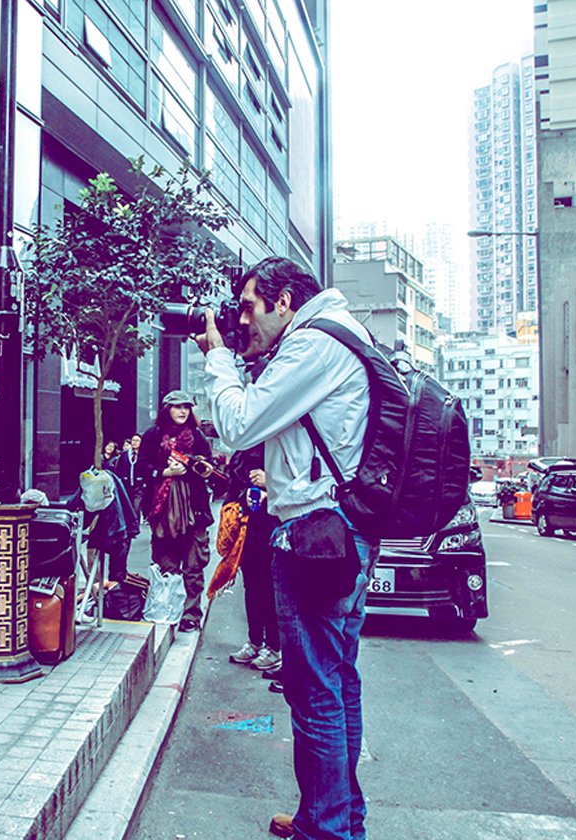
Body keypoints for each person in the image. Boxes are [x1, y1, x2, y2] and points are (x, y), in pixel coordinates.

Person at [197, 256, 377, 840]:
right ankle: (335, 816)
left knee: (315, 689)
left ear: (284, 302)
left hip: (318, 535)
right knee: (336, 681)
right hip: (340, 531)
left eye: (250, 306)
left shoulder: (314, 344)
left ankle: (326, 828)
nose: (242, 319)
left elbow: (240, 424)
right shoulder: (337, 335)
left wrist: (218, 358)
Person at [139, 391, 215, 632]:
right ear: (166, 409)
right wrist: (164, 472)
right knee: (166, 563)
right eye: (177, 406)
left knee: (193, 566)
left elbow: (210, 467)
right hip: (162, 511)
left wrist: (200, 467)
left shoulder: (197, 436)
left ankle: (190, 615)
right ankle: (167, 608)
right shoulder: (152, 435)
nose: (183, 411)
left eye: (186, 407)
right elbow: (142, 467)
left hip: (194, 511)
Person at [225, 443, 281, 672]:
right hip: (248, 531)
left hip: (276, 529)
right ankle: (255, 641)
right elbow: (230, 490)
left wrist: (272, 485)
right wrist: (244, 497)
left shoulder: (281, 446)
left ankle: (274, 647)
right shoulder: (242, 453)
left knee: (271, 590)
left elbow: (302, 485)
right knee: (252, 588)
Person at [108, 433, 146, 514]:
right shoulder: (124, 455)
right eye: (133, 440)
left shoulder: (144, 455)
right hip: (126, 485)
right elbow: (119, 469)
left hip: (139, 486)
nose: (135, 442)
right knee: (127, 508)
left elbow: (147, 469)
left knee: (136, 507)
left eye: (137, 441)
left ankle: (136, 522)